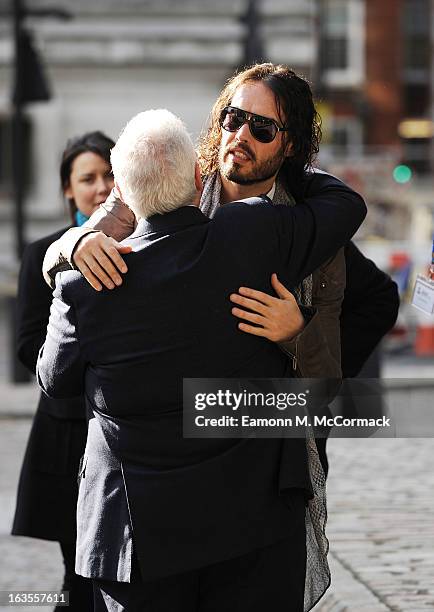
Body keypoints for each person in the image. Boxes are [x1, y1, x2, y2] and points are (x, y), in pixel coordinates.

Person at [37, 109, 366, 612]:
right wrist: (282, 145)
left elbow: (53, 379)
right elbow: (344, 204)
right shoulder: (251, 231)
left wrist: (81, 238)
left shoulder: (84, 286)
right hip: (252, 520)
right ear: (198, 176)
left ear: (119, 191)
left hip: (137, 535)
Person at [41, 63, 399, 477]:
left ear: (289, 146)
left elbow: (328, 385)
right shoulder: (173, 185)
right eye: (234, 118)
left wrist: (297, 332)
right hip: (162, 450)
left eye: (263, 128)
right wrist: (77, 241)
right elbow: (59, 256)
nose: (241, 136)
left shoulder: (311, 233)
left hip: (265, 456)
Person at [12, 131, 116, 611]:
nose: (99, 187)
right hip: (64, 432)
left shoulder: (142, 247)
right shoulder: (42, 254)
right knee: (76, 575)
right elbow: (27, 346)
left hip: (123, 433)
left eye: (109, 175)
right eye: (87, 178)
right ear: (68, 190)